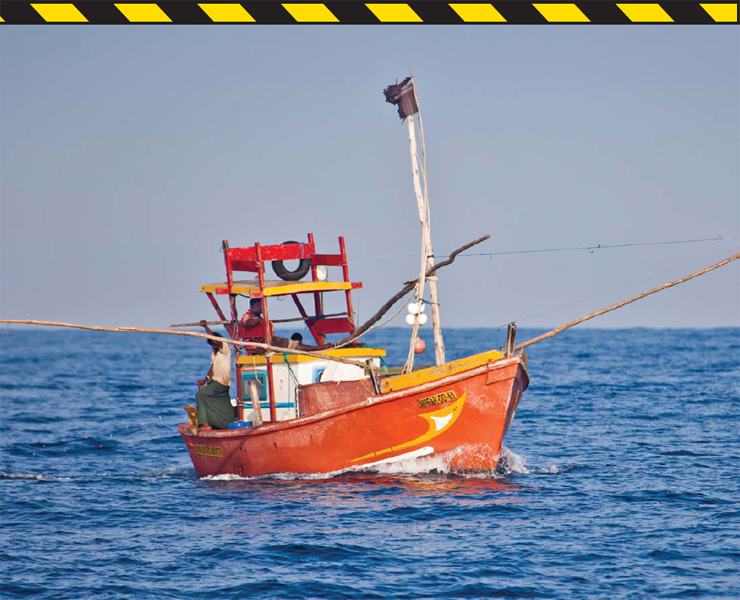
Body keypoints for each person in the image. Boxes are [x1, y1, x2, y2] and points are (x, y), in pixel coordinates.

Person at [194, 321, 235, 430]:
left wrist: (205, 327)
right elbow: (212, 369)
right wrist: (204, 380)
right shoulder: (214, 353)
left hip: (222, 382)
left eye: (213, 343)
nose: (212, 346)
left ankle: (204, 424)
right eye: (210, 345)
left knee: (200, 396)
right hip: (214, 381)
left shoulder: (225, 348)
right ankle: (223, 423)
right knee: (208, 398)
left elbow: (215, 339)